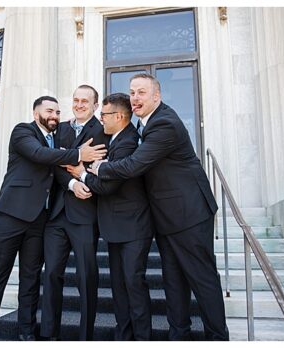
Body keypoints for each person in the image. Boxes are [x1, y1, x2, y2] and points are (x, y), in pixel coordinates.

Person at [73, 74, 227, 340]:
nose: (135, 98)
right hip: (165, 217)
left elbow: (134, 166)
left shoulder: (165, 123)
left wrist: (98, 168)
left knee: (202, 281)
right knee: (173, 282)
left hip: (189, 213)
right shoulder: (147, 124)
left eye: (142, 93)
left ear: (157, 95)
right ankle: (178, 335)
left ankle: (218, 338)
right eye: (132, 93)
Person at [0, 96, 107, 341]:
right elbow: (39, 154)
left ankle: (27, 333)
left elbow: (56, 163)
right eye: (49, 111)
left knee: (31, 279)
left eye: (57, 112)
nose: (54, 116)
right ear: (36, 114)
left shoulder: (57, 138)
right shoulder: (23, 131)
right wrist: (78, 153)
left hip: (39, 221)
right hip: (10, 216)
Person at [70, 93, 154, 340]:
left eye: (103, 115)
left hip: (133, 228)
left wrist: (82, 173)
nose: (100, 120)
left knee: (133, 286)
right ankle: (123, 337)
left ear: (118, 116)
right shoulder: (113, 138)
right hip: (115, 227)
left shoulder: (128, 142)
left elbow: (109, 186)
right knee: (119, 288)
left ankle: (142, 339)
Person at [40, 85, 107, 341]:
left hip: (85, 214)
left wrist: (82, 175)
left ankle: (85, 337)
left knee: (85, 277)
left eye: (85, 101)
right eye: (76, 100)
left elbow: (101, 165)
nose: (79, 105)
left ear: (95, 105)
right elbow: (53, 163)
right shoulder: (61, 128)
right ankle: (48, 336)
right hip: (56, 215)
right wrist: (71, 181)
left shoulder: (102, 131)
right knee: (52, 275)